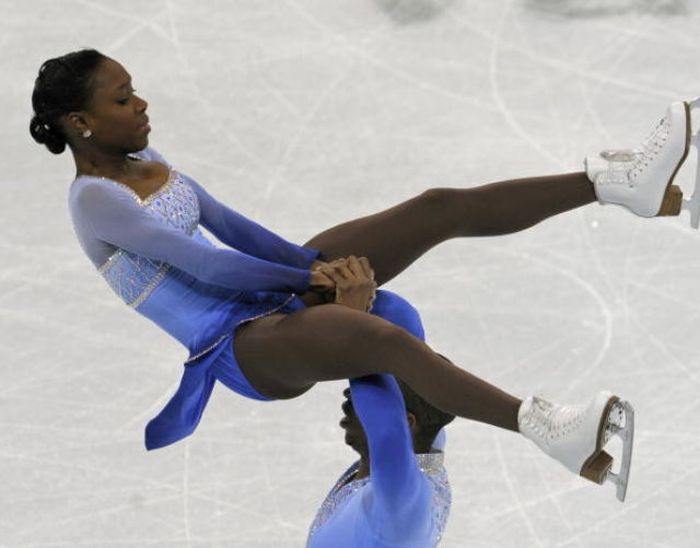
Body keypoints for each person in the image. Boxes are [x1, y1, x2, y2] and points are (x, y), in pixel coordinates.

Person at [30, 48, 654, 502]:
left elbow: (232, 228)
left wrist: (315, 269)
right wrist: (307, 284)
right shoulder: (95, 200)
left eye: (134, 90)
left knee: (434, 209)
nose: (141, 104)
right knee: (382, 336)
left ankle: (615, 185)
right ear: (80, 123)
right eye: (122, 99)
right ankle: (551, 433)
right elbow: (207, 265)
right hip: (240, 346)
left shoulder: (146, 159)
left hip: (269, 290)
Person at [306, 264, 454, 547]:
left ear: (406, 422)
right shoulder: (425, 435)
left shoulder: (402, 502)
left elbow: (386, 432)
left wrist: (352, 322)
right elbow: (405, 334)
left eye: (375, 389)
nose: (350, 395)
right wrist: (352, 298)